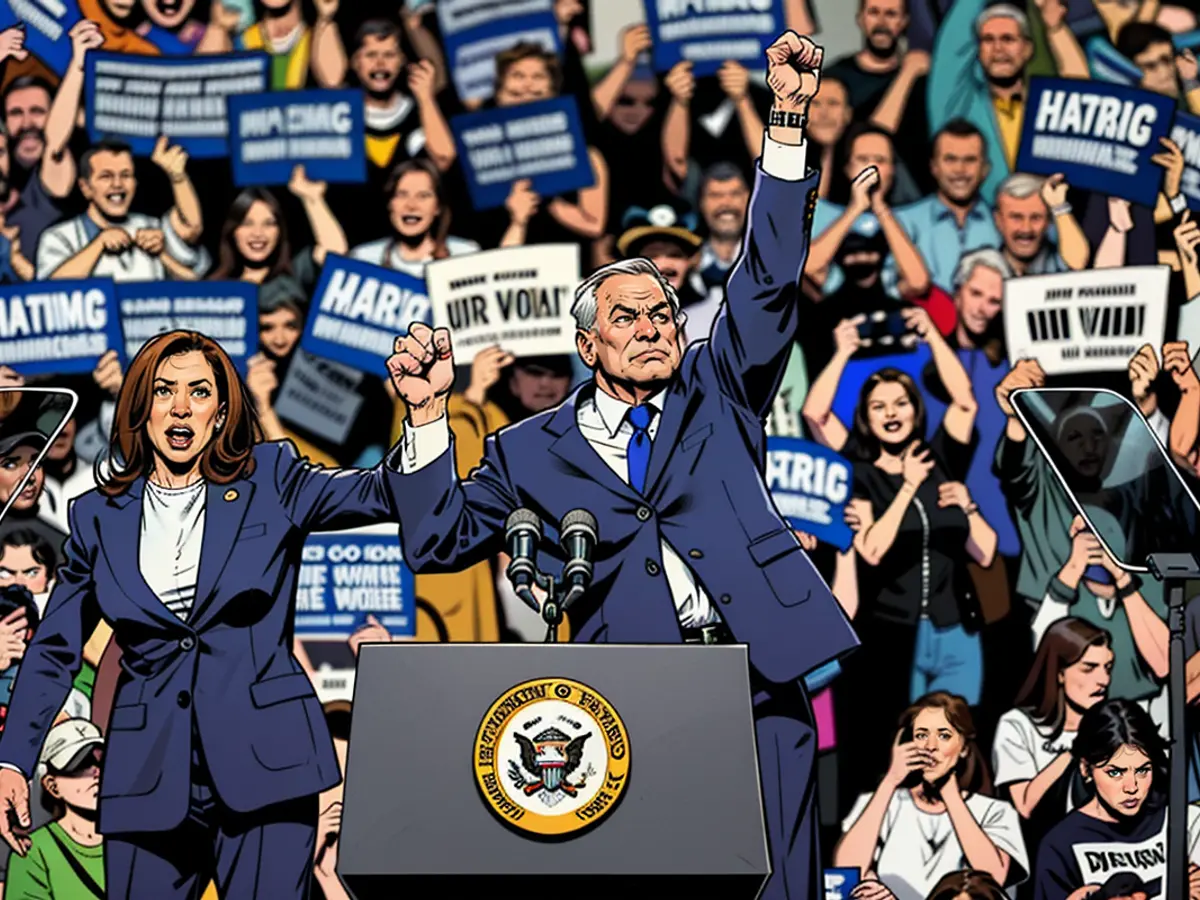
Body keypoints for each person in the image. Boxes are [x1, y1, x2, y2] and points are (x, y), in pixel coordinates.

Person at [388, 31, 856, 900]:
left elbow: (766, 279)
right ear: (586, 342)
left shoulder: (719, 385)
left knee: (785, 888)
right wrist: (425, 418)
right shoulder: (526, 448)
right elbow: (438, 540)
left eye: (665, 313)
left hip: (758, 676)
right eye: (630, 316)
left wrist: (786, 119)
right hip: (640, 698)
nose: (654, 326)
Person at [0, 328, 415, 898]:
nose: (180, 406)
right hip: (147, 774)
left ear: (221, 412)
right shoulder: (98, 515)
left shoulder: (272, 479)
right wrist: (12, 762)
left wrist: (422, 417)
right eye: (164, 390)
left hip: (267, 765)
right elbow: (53, 650)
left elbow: (381, 493)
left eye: (199, 392)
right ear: (139, 406)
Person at [835, 692, 1028, 900]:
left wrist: (950, 794)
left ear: (963, 748)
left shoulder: (995, 812)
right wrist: (891, 780)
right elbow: (845, 872)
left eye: (944, 735)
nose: (930, 746)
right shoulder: (883, 804)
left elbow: (993, 881)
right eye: (921, 735)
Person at [993, 618, 1114, 899]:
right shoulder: (1017, 726)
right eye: (1089, 668)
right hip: (1038, 869)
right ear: (1058, 671)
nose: (1103, 680)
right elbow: (1025, 804)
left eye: (1107, 667)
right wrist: (1074, 749)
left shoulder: (1112, 726)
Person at [1032, 699, 1200, 900]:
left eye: (1143, 770)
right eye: (1115, 773)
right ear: (1086, 768)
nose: (1132, 787)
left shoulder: (1184, 822)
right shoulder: (1060, 845)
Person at [36, 137, 211, 282]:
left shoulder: (152, 226)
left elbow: (191, 229)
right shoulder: (59, 236)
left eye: (125, 175)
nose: (118, 184)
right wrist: (98, 244)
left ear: (135, 182)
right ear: (85, 187)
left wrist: (177, 176)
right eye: (106, 176)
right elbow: (52, 294)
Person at [4, 719, 105, 899]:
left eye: (101, 762)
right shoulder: (33, 852)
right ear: (52, 786)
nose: (96, 772)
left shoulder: (133, 841)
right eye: (81, 765)